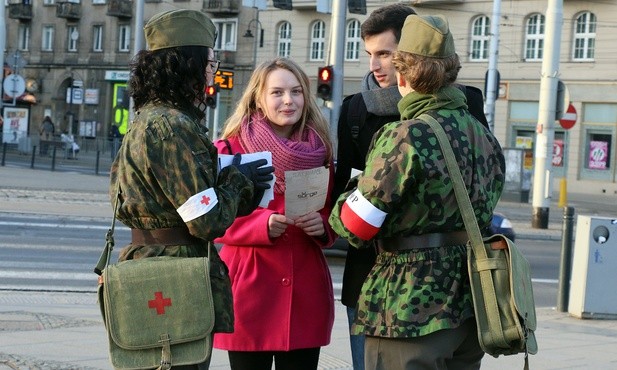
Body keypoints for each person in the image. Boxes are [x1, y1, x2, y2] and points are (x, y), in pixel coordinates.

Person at [329, 14, 506, 370]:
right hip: (470, 307)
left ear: (404, 73)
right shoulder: (482, 135)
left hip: (408, 308)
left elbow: (354, 225)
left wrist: (352, 190)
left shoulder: (404, 136)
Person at [109, 9, 274, 369]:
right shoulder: (172, 128)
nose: (212, 73)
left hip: (148, 264)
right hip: (175, 275)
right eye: (210, 63)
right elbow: (206, 221)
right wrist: (238, 179)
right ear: (187, 65)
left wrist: (237, 191)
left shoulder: (147, 120)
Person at [212, 57, 336, 370]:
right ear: (258, 98)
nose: (288, 100)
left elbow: (334, 211)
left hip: (305, 289)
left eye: (296, 92)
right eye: (277, 92)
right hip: (250, 285)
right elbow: (213, 218)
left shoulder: (321, 149)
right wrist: (261, 225)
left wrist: (322, 226)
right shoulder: (229, 148)